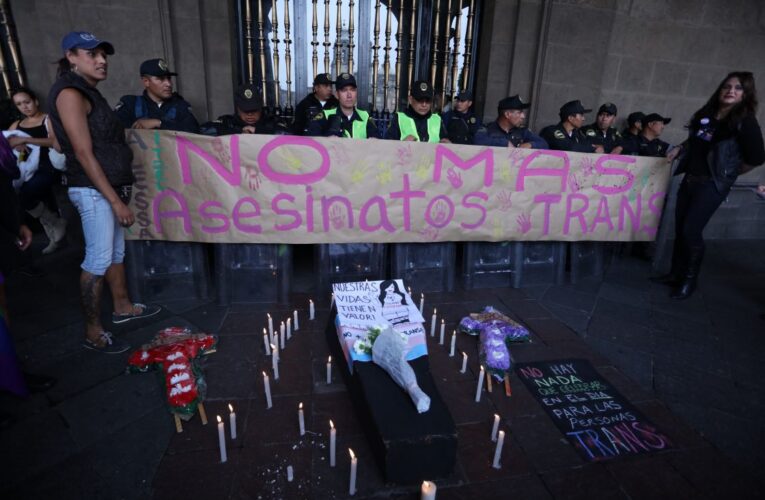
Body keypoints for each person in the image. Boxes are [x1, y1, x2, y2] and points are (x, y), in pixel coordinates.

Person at [48, 31, 161, 353]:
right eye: (91, 54)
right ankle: (93, 331)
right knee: (97, 259)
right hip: (94, 191)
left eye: (103, 55)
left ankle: (122, 306)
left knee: (114, 253)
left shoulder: (88, 93)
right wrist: (114, 200)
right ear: (71, 56)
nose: (101, 61)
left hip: (106, 189)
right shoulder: (70, 93)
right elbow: (83, 153)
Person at [652, 71, 765, 299]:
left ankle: (689, 281)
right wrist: (680, 148)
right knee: (681, 226)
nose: (731, 90)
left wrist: (728, 173)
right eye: (727, 86)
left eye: (738, 88)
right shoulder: (708, 114)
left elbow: (756, 157)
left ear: (746, 94)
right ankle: (675, 273)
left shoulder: (745, 121)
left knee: (691, 231)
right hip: (691, 178)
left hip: (711, 185)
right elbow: (696, 140)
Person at [6, 87, 67, 254]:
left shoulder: (48, 119)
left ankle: (55, 225)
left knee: (27, 192)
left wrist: (26, 138)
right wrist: (17, 145)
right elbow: (6, 144)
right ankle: (53, 230)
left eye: (27, 102)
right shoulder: (16, 125)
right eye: (19, 104)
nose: (24, 107)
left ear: (36, 101)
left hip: (49, 165)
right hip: (26, 167)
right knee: (16, 194)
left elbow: (56, 142)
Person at [114, 58, 199, 133]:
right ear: (146, 81)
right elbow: (114, 130)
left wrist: (159, 123)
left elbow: (194, 131)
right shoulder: (130, 104)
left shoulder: (181, 105)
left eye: (169, 78)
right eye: (161, 79)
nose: (168, 84)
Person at [306, 73, 378, 138]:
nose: (349, 95)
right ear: (337, 95)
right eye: (344, 90)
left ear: (356, 93)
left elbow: (376, 144)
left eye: (352, 90)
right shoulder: (325, 116)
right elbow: (312, 143)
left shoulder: (365, 116)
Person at [385, 80, 449, 142]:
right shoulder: (399, 118)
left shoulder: (437, 120)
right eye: (420, 100)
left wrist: (449, 145)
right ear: (410, 99)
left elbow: (447, 146)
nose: (424, 104)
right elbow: (387, 147)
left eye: (427, 100)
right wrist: (402, 144)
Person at [473, 95, 547, 149]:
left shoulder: (522, 131)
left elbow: (544, 144)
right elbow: (477, 141)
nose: (523, 116)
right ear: (507, 114)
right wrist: (504, 143)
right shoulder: (487, 129)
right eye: (519, 112)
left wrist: (531, 144)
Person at [200, 83, 275, 136]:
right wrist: (239, 132)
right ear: (238, 109)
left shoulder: (271, 122)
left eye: (254, 110)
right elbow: (202, 130)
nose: (250, 114)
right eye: (245, 110)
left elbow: (284, 134)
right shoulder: (228, 122)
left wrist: (258, 131)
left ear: (260, 109)